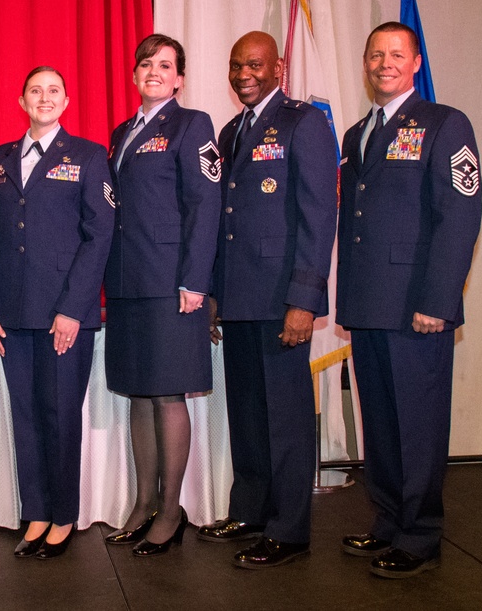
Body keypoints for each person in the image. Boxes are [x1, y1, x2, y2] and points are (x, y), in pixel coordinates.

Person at [336, 21, 482, 579]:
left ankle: (420, 536)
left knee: (417, 424)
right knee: (383, 423)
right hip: (369, 305)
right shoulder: (357, 134)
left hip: (417, 306)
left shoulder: (445, 124)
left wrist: (438, 300)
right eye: (376, 55)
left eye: (396, 54)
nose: (384, 63)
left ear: (416, 61)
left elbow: (460, 215)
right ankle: (390, 521)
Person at [196, 32, 337, 568]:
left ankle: (290, 528)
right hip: (239, 298)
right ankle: (251, 510)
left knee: (287, 417)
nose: (243, 74)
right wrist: (213, 293)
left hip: (282, 300)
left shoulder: (304, 122)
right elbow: (221, 222)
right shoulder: (232, 132)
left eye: (253, 64)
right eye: (235, 66)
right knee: (249, 414)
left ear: (278, 66)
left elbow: (318, 215)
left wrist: (304, 299)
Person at [0, 66, 114, 559]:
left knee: (59, 417)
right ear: (21, 99)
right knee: (26, 416)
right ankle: (34, 512)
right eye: (36, 90)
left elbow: (100, 237)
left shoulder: (90, 157)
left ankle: (64, 515)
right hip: (11, 316)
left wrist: (74, 309)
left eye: (54, 90)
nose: (45, 97)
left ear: (67, 101)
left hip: (64, 319)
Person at [103, 34, 221, 556]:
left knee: (169, 393)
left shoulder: (192, 125)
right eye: (145, 63)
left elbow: (205, 203)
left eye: (165, 65)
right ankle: (141, 502)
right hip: (128, 283)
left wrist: (195, 281)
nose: (154, 71)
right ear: (134, 75)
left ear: (179, 79)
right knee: (138, 391)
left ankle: (171, 510)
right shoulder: (121, 132)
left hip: (173, 284)